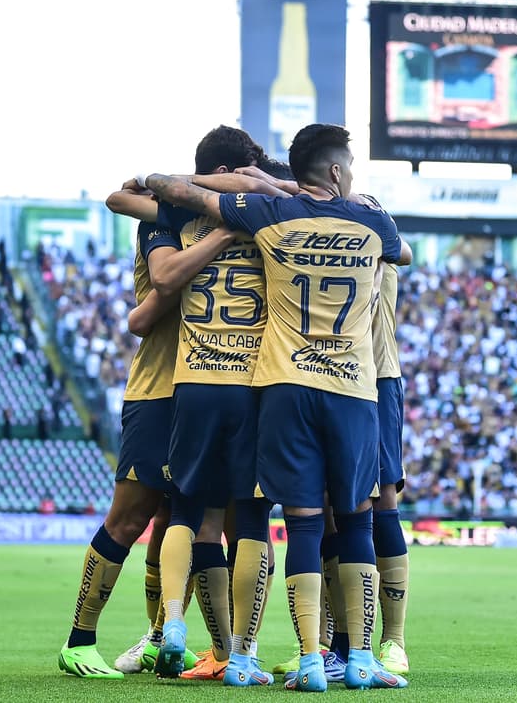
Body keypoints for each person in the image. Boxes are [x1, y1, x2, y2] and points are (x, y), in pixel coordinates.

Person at [140, 123, 411, 690]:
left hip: (277, 385)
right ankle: (361, 657)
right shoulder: (373, 220)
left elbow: (173, 191)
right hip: (352, 388)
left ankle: (295, 658)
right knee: (354, 519)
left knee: (292, 523)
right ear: (336, 170)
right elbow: (402, 253)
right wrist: (280, 186)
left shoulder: (267, 214)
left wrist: (229, 183)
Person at [108, 126, 290, 684]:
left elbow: (122, 197)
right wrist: (265, 187)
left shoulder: (179, 219)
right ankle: (242, 652)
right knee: (251, 520)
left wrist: (173, 183)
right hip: (253, 385)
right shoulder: (273, 219)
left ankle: (172, 625)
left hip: (192, 380)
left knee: (187, 512)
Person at [56, 174, 239, 681]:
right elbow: (148, 306)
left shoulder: (246, 224)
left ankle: (162, 639)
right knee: (130, 516)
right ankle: (79, 641)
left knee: (182, 519)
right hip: (158, 392)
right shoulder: (167, 221)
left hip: (211, 391)